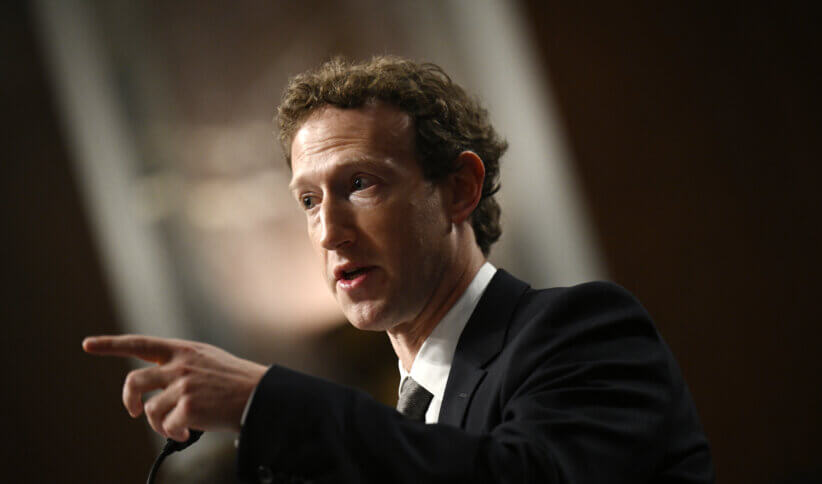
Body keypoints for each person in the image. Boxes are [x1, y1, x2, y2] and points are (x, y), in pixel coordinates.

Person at [84, 56, 714, 483]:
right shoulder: (395, 427)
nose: (328, 231)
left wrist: (265, 401)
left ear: (460, 189)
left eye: (360, 184)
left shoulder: (581, 332)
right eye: (308, 200)